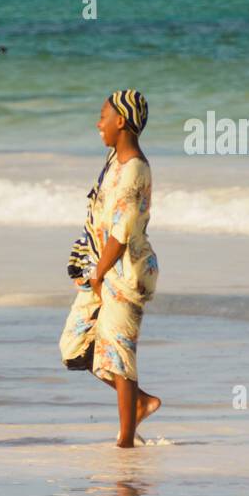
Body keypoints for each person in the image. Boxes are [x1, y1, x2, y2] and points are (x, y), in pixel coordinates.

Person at [59, 90, 160, 447]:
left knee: (118, 352)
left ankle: (126, 443)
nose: (97, 123)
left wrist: (100, 273)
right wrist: (89, 266)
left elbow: (122, 230)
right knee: (73, 346)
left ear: (121, 121)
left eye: (103, 116)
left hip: (127, 270)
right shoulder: (114, 160)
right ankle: (141, 402)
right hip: (100, 267)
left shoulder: (135, 169)